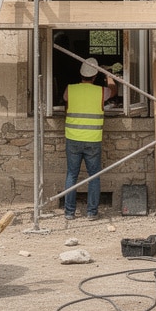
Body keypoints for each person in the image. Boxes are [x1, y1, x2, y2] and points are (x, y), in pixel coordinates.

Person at [62, 57, 116, 221]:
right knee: (93, 176)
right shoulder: (101, 92)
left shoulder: (69, 90)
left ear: (81, 74)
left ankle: (69, 213)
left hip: (73, 138)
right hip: (93, 140)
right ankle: (92, 212)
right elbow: (114, 90)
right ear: (95, 76)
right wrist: (108, 74)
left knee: (72, 174)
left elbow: (65, 101)